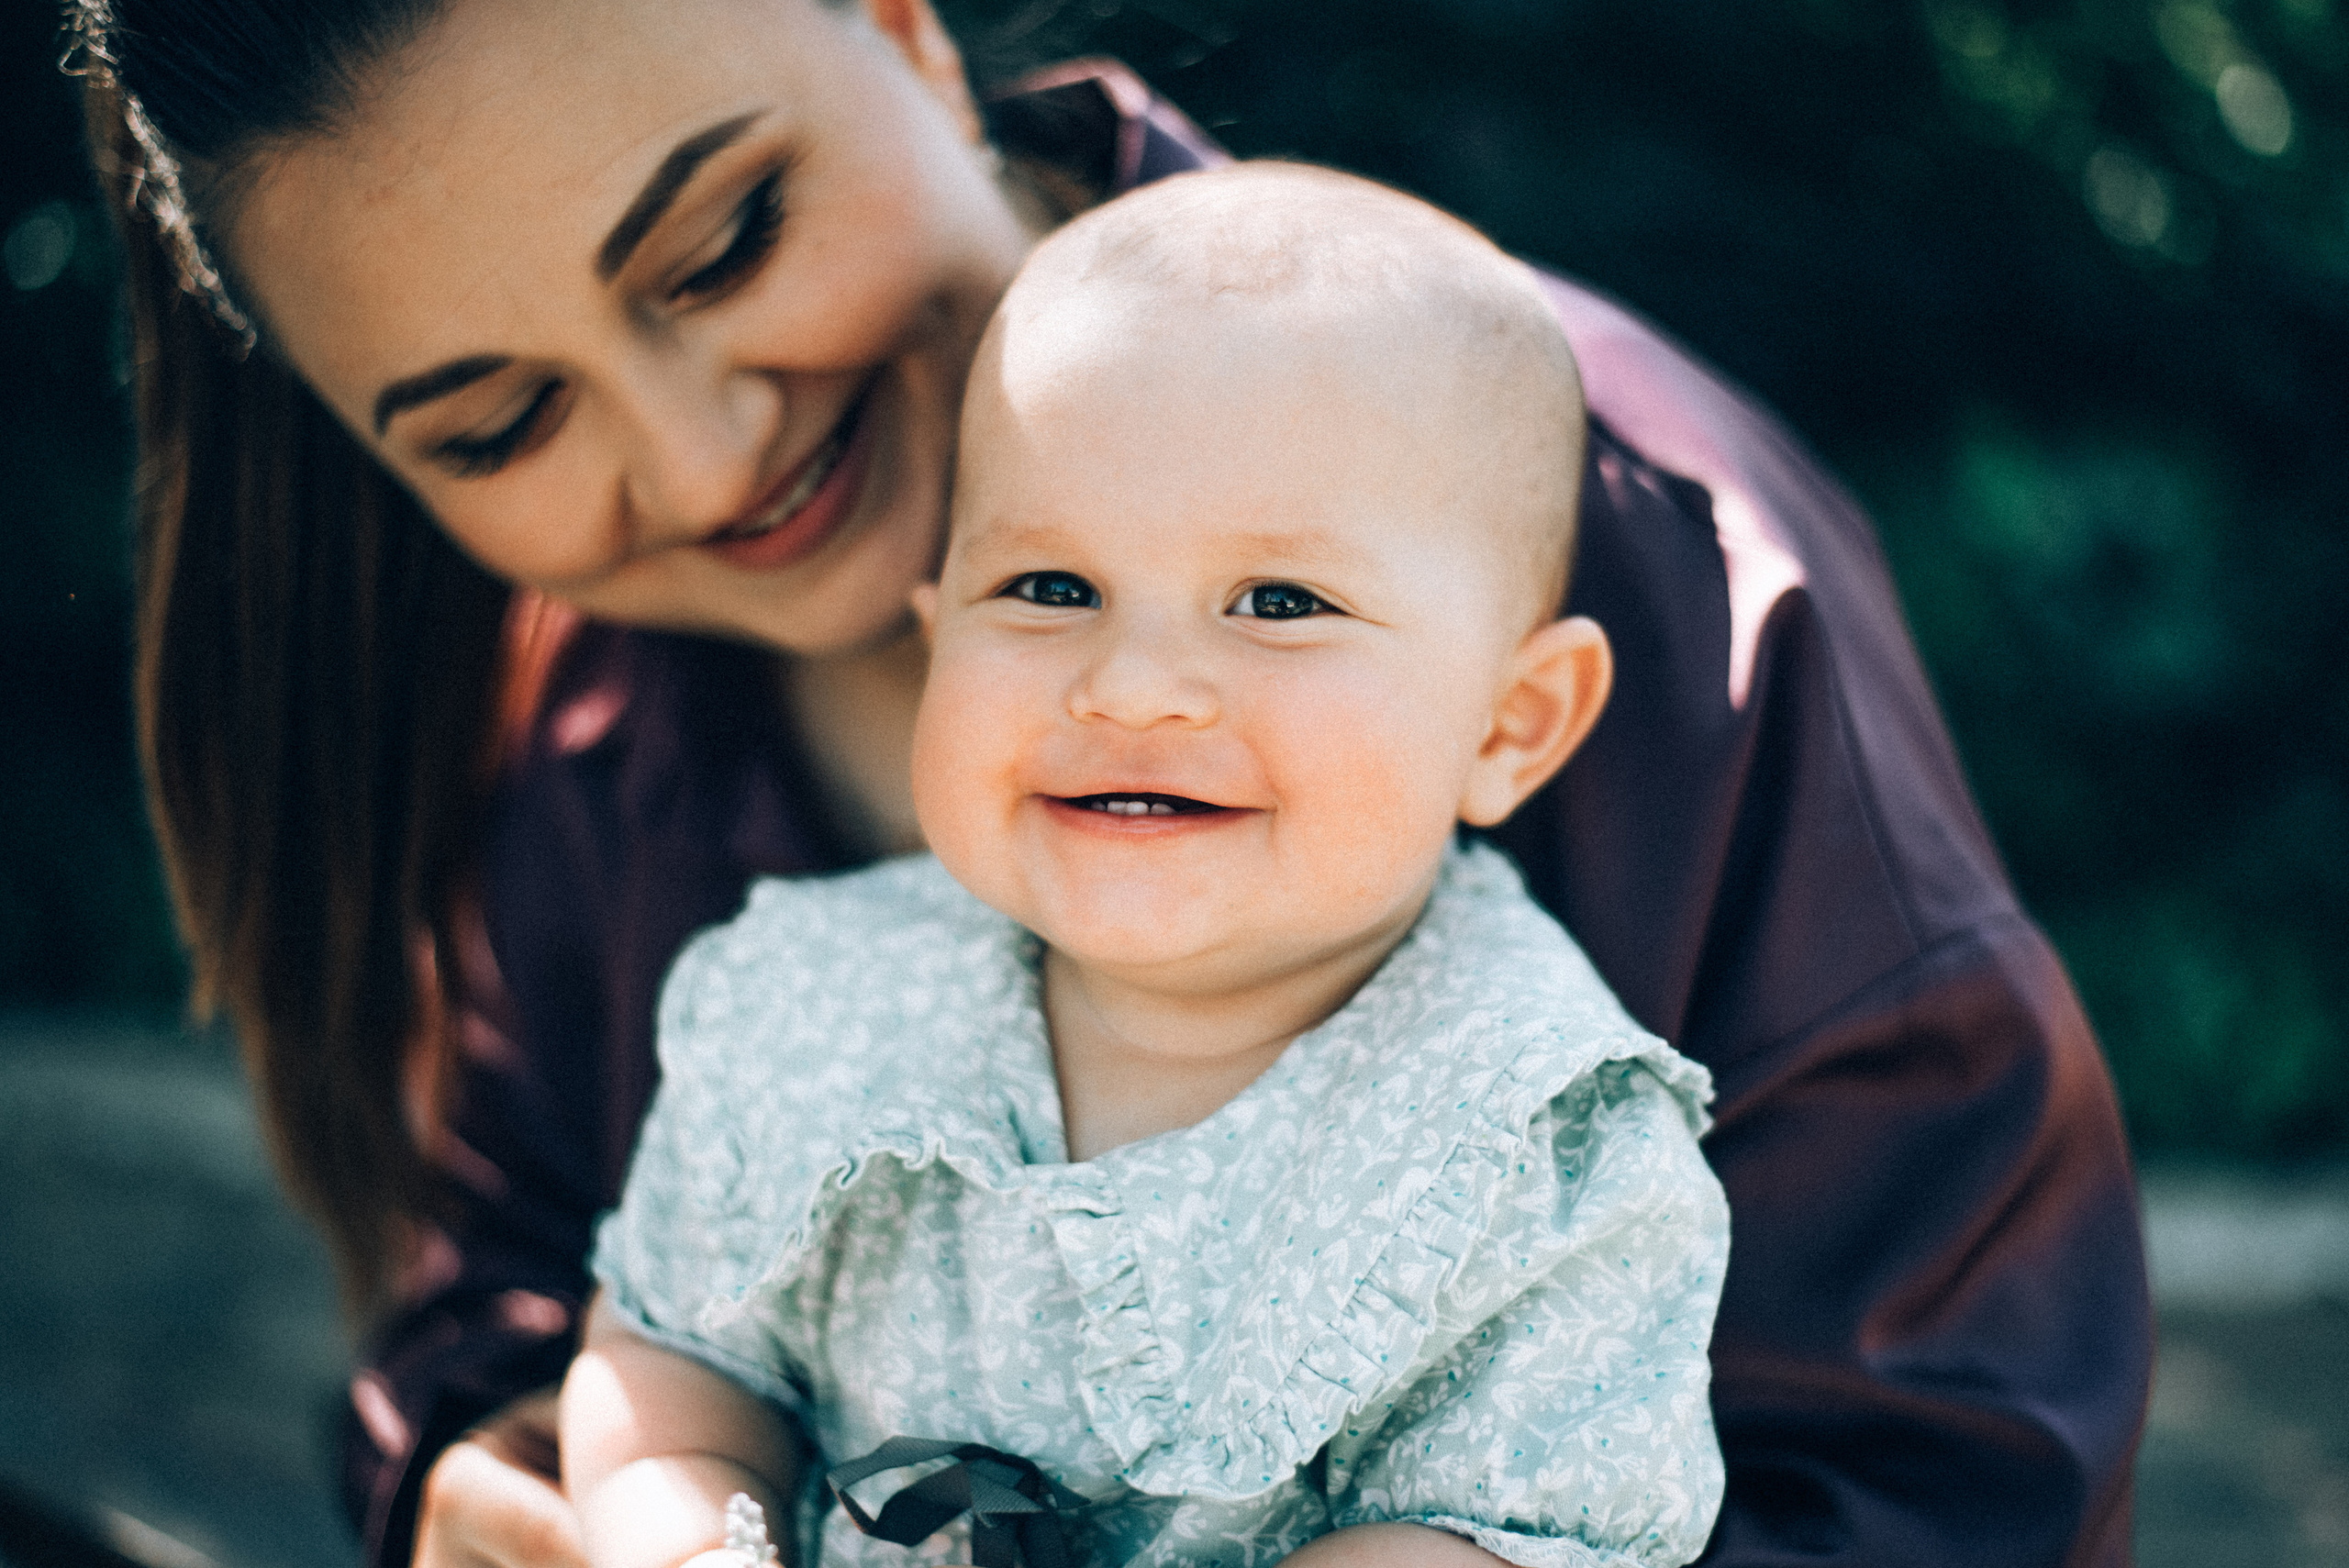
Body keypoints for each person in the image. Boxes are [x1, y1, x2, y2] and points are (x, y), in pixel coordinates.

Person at [69, 0, 2151, 1562]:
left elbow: (1944, 1469)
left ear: (893, 25)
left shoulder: (1635, 564)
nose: (700, 462)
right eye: (498, 422)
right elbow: (510, 1300)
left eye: (719, 243)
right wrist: (526, 1481)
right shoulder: (600, 751)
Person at [562, 162, 1731, 1568]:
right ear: (938, 636)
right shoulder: (812, 1004)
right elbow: (670, 1359)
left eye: (1281, 601)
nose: (1134, 684)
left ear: (1509, 720)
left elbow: (1489, 1537)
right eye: (1049, 589)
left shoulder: (1542, 1148)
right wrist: (701, 1533)